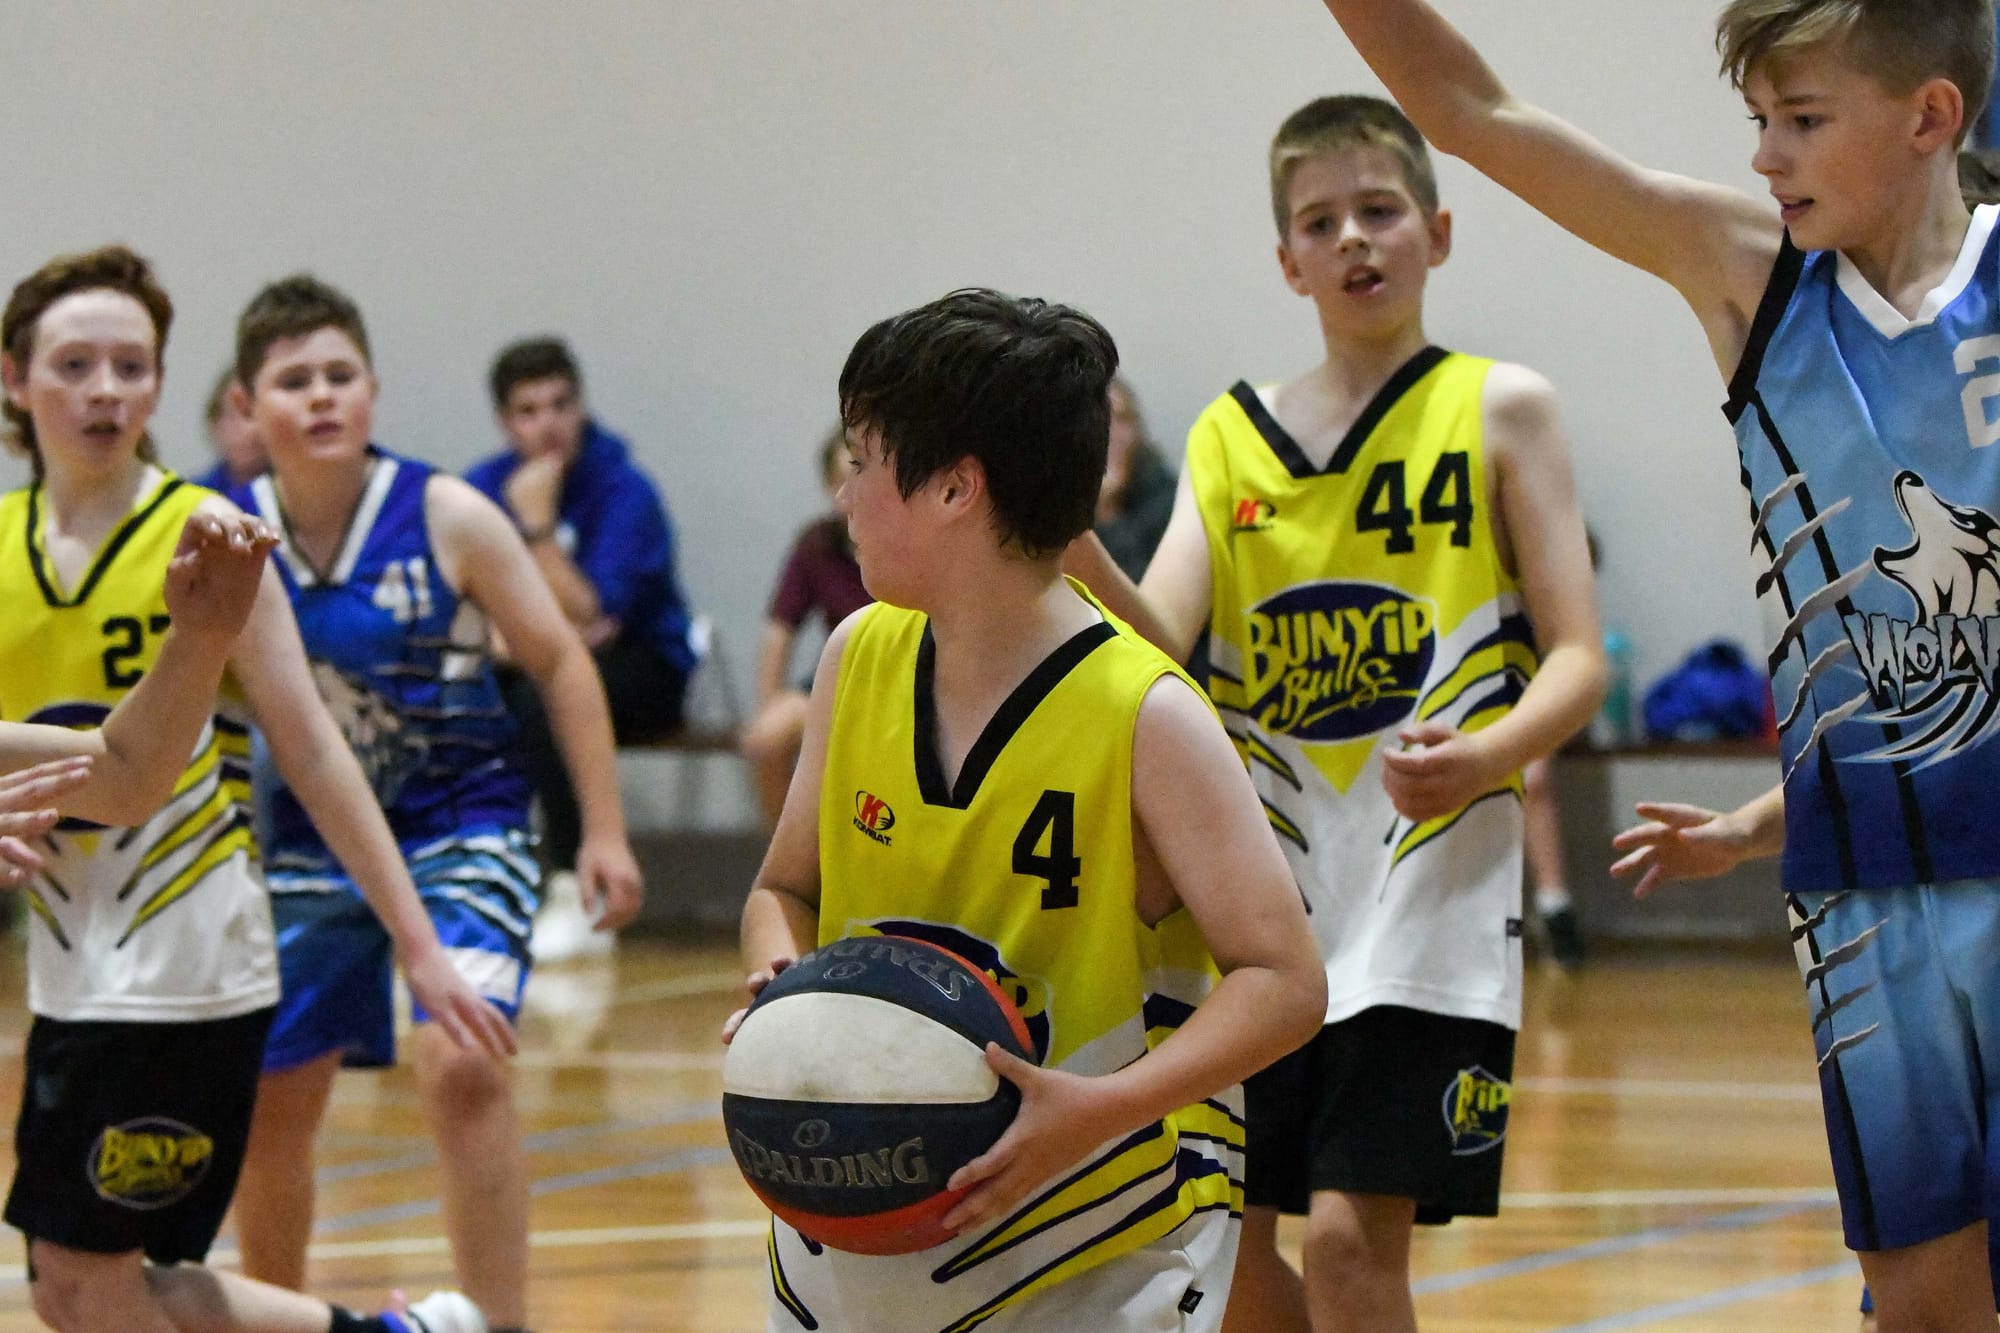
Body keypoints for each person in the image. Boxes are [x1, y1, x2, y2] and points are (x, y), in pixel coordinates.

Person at [1318, 0, 2000, 1323]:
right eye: (1760, 123)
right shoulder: (1749, 268)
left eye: (1802, 123)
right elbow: (1474, 115)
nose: (1765, 158)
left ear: (1931, 118)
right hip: (1869, 887)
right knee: (1921, 1295)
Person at [1063, 96, 1606, 1333]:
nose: (1354, 238)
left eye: (1380, 210)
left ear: (1438, 230)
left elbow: (1575, 657)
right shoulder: (1224, 433)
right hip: (1265, 897)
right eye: (1322, 220)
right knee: (1227, 1257)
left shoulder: (1500, 405)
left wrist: (1489, 755)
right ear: (1285, 259)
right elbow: (1160, 644)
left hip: (1429, 888)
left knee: (1359, 1250)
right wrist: (1068, 535)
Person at [730, 288, 1325, 1331]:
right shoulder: (854, 655)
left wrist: (1096, 1108)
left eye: (863, 459)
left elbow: (1284, 982)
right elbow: (784, 885)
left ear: (956, 487)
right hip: (860, 1230)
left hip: (1090, 1238)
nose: (842, 489)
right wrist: (787, 995)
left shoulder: (1145, 714)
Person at [0, 243, 504, 1333]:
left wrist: (415, 939)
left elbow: (316, 751)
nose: (104, 390)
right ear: (13, 378)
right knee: (94, 1287)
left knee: (85, 1285)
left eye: (130, 366)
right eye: (75, 364)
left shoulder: (208, 540)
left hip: (186, 957)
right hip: (67, 962)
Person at [222, 277, 640, 1333]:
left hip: (468, 822)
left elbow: (561, 660)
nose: (320, 397)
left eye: (339, 375)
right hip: (311, 846)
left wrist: (600, 827)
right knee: (271, 1097)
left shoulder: (446, 511)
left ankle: (499, 1323)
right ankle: (279, 1313)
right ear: (246, 404)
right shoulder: (221, 531)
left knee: (460, 1061)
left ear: (371, 390)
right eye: (293, 380)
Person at [464, 337, 694, 952]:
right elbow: (461, 617)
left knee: (547, 700)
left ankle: (578, 888)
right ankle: (482, 881)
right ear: (504, 422)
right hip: (531, 666)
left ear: (581, 407)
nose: (549, 425)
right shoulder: (478, 491)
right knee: (472, 696)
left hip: (645, 669)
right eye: (529, 410)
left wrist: (536, 526)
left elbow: (590, 613)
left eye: (561, 405)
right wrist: (517, 640)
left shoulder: (624, 489)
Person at [740, 426, 870, 828]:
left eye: (858, 476)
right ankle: (787, 862)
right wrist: (769, 702)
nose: (848, 493)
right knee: (766, 737)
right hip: (838, 673)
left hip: (902, 672)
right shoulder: (817, 545)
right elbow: (780, 629)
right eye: (838, 481)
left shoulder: (906, 539)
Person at [1094, 378, 1176, 581]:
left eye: (1122, 419)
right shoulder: (1056, 494)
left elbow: (1147, 597)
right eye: (1100, 418)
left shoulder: (1164, 495)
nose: (1112, 433)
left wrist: (1107, 513)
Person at [193, 365, 267, 494]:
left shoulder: (300, 493)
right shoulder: (193, 498)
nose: (249, 430)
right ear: (214, 423)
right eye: (233, 416)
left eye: (255, 414)